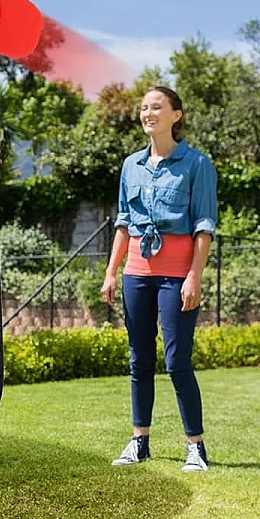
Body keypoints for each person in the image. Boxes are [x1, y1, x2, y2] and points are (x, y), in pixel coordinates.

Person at [100, 86, 219, 471]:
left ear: (176, 115)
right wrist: (111, 272)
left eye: (157, 107)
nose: (148, 113)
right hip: (137, 272)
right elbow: (123, 223)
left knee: (177, 361)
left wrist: (194, 277)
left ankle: (196, 447)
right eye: (144, 108)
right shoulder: (130, 165)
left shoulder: (196, 164)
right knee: (139, 360)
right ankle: (139, 441)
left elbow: (204, 227)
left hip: (176, 275)